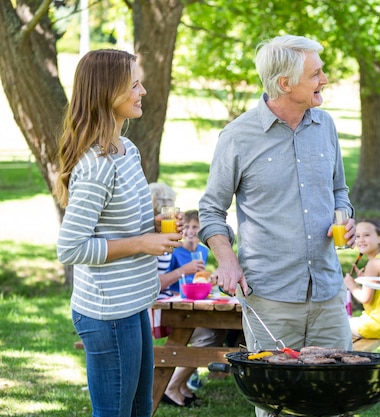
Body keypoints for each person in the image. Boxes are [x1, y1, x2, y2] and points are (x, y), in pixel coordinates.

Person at [198, 34, 355, 417]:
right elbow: (210, 209)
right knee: (276, 404)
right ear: (285, 84)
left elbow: (340, 191)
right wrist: (227, 260)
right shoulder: (238, 136)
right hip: (270, 298)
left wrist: (345, 217)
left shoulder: (326, 126)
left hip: (328, 295)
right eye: (316, 73)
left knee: (336, 399)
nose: (325, 79)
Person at [54, 49, 182, 417]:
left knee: (141, 409)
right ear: (107, 92)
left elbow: (119, 224)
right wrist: (144, 243)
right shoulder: (96, 165)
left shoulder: (127, 151)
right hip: (108, 312)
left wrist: (153, 229)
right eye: (134, 84)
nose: (143, 91)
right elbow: (71, 247)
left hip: (135, 303)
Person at [162, 209, 226, 407]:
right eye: (187, 226)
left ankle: (181, 385)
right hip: (176, 306)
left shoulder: (203, 252)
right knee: (208, 336)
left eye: (195, 227)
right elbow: (165, 281)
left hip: (196, 303)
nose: (190, 231)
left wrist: (210, 281)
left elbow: (198, 280)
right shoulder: (174, 251)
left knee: (219, 332)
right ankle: (171, 386)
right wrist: (184, 271)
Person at [343, 219, 380, 344]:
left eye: (366, 235)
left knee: (333, 325)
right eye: (357, 236)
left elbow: (365, 298)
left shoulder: (373, 264)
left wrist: (351, 285)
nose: (361, 240)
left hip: (373, 327)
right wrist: (364, 279)